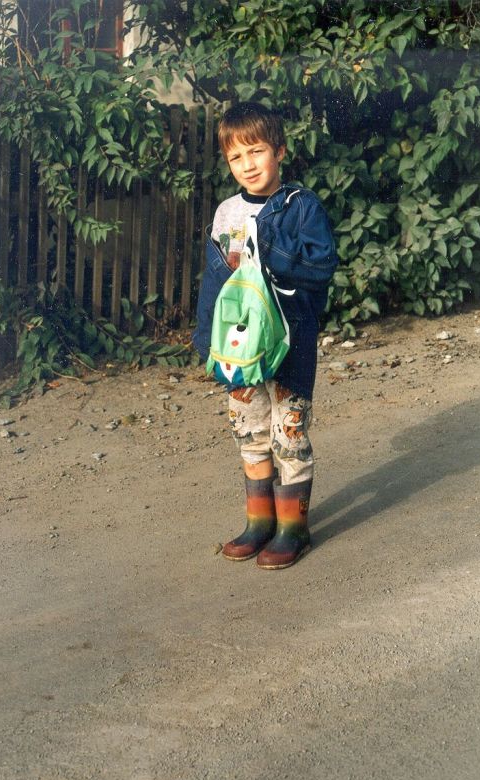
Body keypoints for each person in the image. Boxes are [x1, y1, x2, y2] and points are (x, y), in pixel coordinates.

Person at [193, 101, 339, 569]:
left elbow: (321, 266)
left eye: (256, 152)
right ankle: (260, 523)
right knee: (249, 430)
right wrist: (207, 343)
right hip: (241, 346)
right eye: (236, 157)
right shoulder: (226, 213)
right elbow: (216, 286)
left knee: (288, 434)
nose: (247, 165)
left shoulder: (302, 207)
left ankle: (293, 530)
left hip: (290, 340)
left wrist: (268, 249)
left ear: (279, 151)